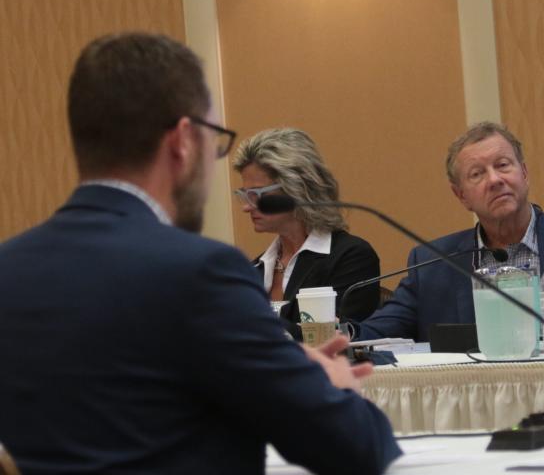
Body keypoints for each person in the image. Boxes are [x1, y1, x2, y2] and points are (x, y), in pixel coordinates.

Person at [0, 33, 400, 474]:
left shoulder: (9, 270)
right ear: (183, 142)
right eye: (216, 144)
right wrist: (333, 384)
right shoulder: (202, 271)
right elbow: (353, 449)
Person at [354, 121, 544, 342]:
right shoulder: (432, 263)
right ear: (461, 196)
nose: (495, 180)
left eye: (503, 165)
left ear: (525, 173)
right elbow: (377, 331)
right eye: (477, 174)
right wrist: (334, 334)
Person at [232, 128, 380, 332]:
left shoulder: (351, 258)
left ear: (297, 189)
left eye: (256, 194)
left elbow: (335, 340)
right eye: (244, 194)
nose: (246, 206)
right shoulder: (253, 269)